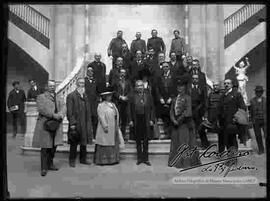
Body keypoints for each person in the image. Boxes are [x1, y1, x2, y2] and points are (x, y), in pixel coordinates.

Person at [32, 80, 66, 177]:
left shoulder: (58, 97)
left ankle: (50, 164)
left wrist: (61, 114)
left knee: (54, 146)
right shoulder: (41, 97)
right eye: (50, 86)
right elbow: (42, 109)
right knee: (45, 147)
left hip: (56, 125)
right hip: (45, 124)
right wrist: (53, 115)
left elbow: (63, 106)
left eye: (53, 86)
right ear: (47, 86)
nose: (52, 87)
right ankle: (43, 167)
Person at [168, 79, 201, 169]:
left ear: (185, 88)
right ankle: (176, 161)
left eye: (181, 86)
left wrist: (178, 120)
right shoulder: (175, 98)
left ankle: (185, 162)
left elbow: (188, 112)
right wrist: (173, 119)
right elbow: (171, 111)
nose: (180, 88)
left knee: (184, 143)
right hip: (175, 125)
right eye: (178, 86)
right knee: (176, 143)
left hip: (184, 124)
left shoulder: (187, 98)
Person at [66, 78, 93, 167]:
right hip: (76, 123)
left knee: (83, 142)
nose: (82, 85)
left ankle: (83, 159)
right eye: (80, 83)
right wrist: (72, 123)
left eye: (83, 83)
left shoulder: (85, 96)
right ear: (77, 84)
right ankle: (72, 160)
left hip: (85, 123)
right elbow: (69, 111)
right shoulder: (71, 96)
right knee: (74, 143)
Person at [219, 79, 246, 164]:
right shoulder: (223, 95)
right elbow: (220, 109)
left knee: (233, 141)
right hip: (224, 122)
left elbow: (243, 107)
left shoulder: (236, 94)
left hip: (232, 122)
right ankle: (230, 159)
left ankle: (233, 160)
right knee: (227, 141)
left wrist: (236, 118)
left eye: (228, 83)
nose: (226, 85)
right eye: (225, 83)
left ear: (231, 85)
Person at [128, 80, 155, 166]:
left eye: (141, 86)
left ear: (144, 87)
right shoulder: (132, 96)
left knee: (146, 140)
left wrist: (152, 119)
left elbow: (152, 108)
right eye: (138, 86)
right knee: (138, 140)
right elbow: (129, 109)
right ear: (135, 87)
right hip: (137, 119)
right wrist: (130, 120)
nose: (140, 87)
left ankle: (146, 159)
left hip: (146, 119)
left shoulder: (148, 95)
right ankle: (139, 158)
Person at [94, 86, 121, 165]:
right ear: (104, 97)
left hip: (114, 125)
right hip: (106, 127)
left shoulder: (112, 104)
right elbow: (101, 116)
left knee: (113, 142)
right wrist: (105, 125)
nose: (110, 97)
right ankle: (103, 160)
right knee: (105, 142)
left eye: (110, 95)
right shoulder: (101, 105)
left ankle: (114, 159)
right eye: (108, 95)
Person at [156, 61, 177, 139]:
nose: (165, 68)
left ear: (169, 67)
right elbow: (157, 89)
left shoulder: (173, 77)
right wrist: (160, 98)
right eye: (163, 67)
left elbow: (175, 88)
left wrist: (171, 98)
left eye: (166, 66)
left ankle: (171, 133)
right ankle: (166, 133)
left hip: (171, 100)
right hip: (162, 100)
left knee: (171, 117)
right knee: (164, 117)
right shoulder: (159, 77)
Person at [198, 81, 222, 149]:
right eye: (214, 86)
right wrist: (205, 117)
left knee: (222, 132)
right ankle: (205, 144)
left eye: (216, 85)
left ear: (219, 86)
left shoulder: (222, 95)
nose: (215, 87)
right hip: (210, 119)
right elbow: (206, 107)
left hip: (220, 119)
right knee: (200, 129)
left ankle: (222, 148)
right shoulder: (210, 95)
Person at [189, 74, 208, 148]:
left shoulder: (202, 88)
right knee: (191, 129)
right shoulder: (189, 89)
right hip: (190, 111)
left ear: (198, 80)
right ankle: (191, 145)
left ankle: (205, 144)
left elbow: (204, 100)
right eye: (193, 78)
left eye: (196, 78)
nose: (195, 80)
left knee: (201, 129)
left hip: (199, 111)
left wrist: (201, 109)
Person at [114, 68, 132, 141]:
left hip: (126, 103)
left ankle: (123, 135)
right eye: (121, 72)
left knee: (124, 121)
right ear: (119, 73)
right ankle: (117, 136)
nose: (122, 74)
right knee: (117, 120)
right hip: (118, 103)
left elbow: (131, 91)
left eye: (124, 73)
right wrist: (120, 97)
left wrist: (127, 97)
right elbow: (114, 92)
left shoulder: (128, 82)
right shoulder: (116, 82)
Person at [250, 86, 267, 155]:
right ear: (255, 92)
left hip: (265, 120)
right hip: (256, 120)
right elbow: (251, 112)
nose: (259, 93)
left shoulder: (265, 100)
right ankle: (261, 149)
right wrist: (251, 120)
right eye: (257, 91)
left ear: (262, 92)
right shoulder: (252, 100)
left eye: (260, 91)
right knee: (258, 136)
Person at [85, 67, 99, 138]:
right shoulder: (84, 81)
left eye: (91, 71)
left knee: (95, 120)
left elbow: (97, 91)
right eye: (89, 71)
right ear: (86, 72)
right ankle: (87, 135)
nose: (90, 72)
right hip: (86, 103)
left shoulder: (95, 80)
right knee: (87, 120)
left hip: (94, 104)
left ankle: (94, 135)